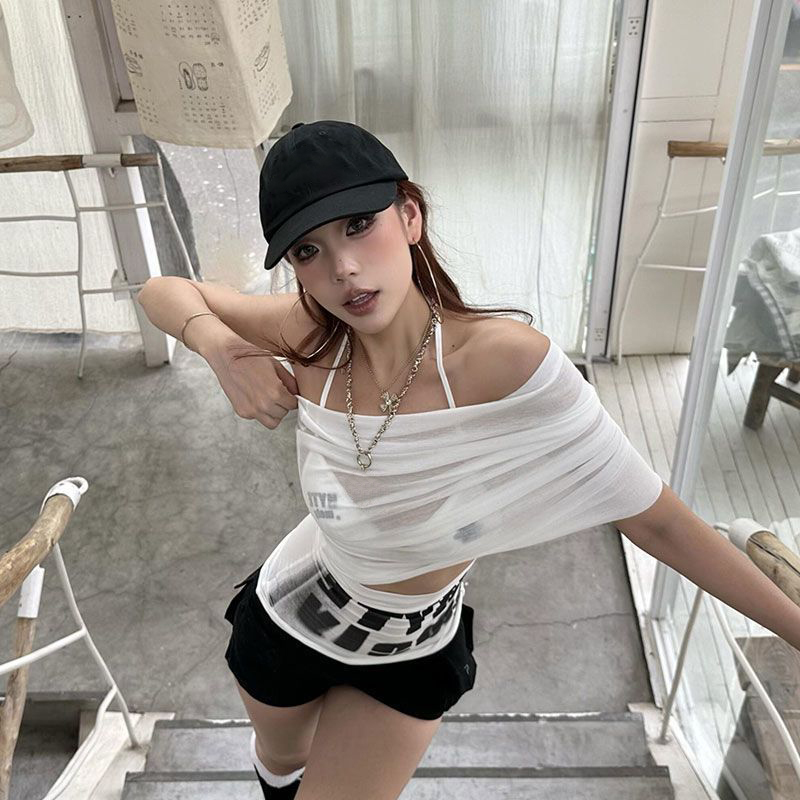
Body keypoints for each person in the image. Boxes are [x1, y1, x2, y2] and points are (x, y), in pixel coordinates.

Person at [137, 120, 800, 800]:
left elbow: (656, 520)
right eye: (309, 250)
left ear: (410, 215)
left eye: (359, 225)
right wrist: (220, 348)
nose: (343, 269)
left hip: (410, 650)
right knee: (280, 767)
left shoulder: (506, 365)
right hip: (288, 618)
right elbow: (161, 290)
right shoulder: (312, 338)